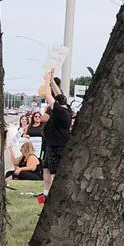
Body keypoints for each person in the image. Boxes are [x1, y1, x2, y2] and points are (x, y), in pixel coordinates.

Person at [37, 68, 72, 202]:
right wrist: (52, 80)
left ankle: (56, 196)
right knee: (46, 168)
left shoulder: (60, 112)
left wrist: (46, 81)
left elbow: (48, 95)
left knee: (55, 172)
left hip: (58, 146)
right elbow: (58, 94)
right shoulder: (66, 108)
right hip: (51, 143)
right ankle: (46, 192)